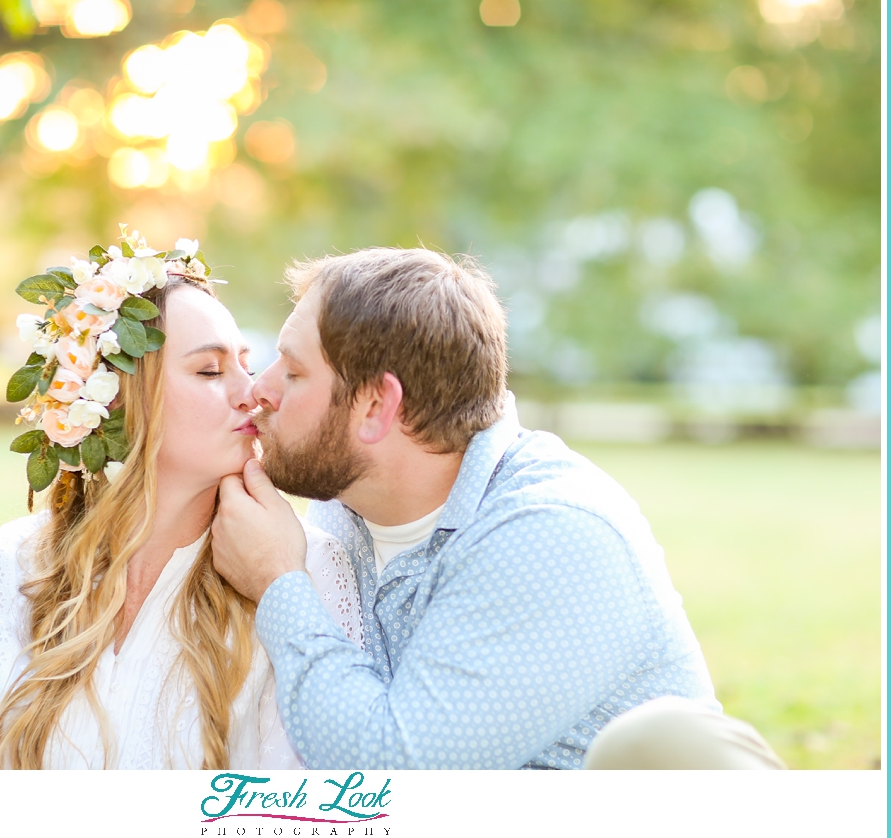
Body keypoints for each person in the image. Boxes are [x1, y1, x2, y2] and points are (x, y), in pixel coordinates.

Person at [212, 246, 783, 770]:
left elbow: (396, 778)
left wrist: (279, 583)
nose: (260, 388)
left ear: (377, 405)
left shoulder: (551, 533)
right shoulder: (348, 508)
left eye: (293, 371)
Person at [0, 251, 361, 770]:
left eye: (245, 364)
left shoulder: (303, 571)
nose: (254, 393)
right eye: (209, 370)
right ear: (114, 401)